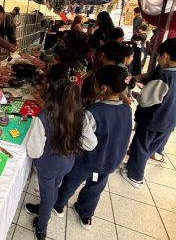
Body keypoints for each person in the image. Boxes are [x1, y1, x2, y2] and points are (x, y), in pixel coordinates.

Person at [52, 65, 134, 229]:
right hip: (111, 161)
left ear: (102, 88)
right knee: (96, 187)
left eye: (95, 83)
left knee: (71, 181)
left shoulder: (93, 111)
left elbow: (84, 140)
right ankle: (85, 214)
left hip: (88, 161)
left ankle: (59, 205)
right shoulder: (127, 109)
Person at [24, 63, 97, 240]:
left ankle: (42, 227)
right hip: (68, 163)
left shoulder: (42, 118)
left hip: (47, 166)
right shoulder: (83, 116)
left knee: (48, 194)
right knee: (54, 188)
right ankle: (44, 208)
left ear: (49, 91)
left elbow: (33, 152)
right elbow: (91, 144)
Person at [122, 38, 176, 188]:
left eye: (158, 55)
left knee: (141, 146)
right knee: (150, 147)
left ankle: (135, 176)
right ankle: (133, 165)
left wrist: (136, 95)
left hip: (154, 119)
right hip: (170, 121)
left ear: (165, 55)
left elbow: (146, 100)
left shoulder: (164, 76)